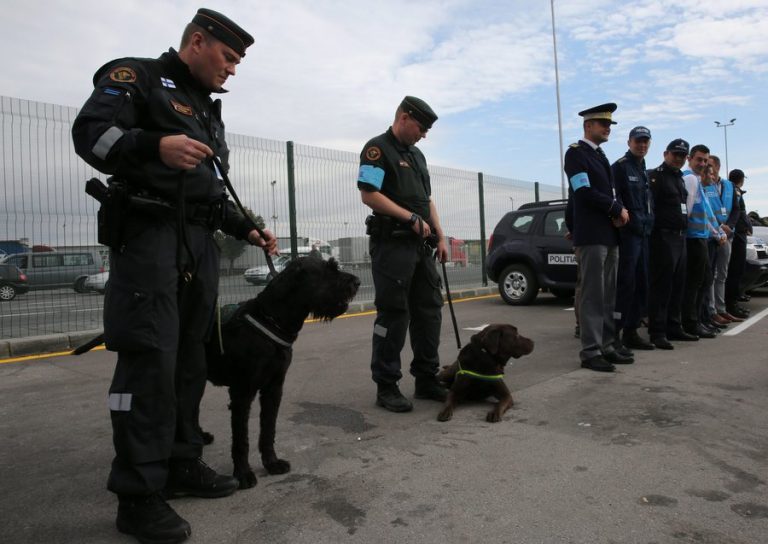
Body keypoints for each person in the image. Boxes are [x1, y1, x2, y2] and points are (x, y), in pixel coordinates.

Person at [71, 9, 277, 544]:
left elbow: (209, 187)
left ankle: (182, 462)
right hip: (149, 240)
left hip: (198, 243)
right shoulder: (136, 77)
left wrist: (245, 227)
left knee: (190, 359)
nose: (233, 69)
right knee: (149, 361)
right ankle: (137, 494)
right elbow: (89, 134)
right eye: (228, 57)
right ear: (197, 41)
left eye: (237, 62)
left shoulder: (208, 110)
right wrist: (150, 144)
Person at [357, 96, 449, 411]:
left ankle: (426, 378)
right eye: (421, 128)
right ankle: (387, 385)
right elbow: (369, 195)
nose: (423, 135)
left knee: (429, 311)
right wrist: (408, 218)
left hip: (421, 247)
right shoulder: (377, 149)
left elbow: (428, 199)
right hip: (392, 245)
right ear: (404, 118)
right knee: (394, 314)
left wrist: (440, 235)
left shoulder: (418, 156)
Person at [563, 103, 631, 372]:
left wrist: (620, 211)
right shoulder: (576, 154)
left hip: (609, 234)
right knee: (593, 295)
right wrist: (616, 208)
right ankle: (591, 351)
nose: (607, 128)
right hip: (592, 235)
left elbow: (611, 192)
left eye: (609, 125)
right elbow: (583, 192)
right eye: (603, 124)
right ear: (588, 126)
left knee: (607, 295)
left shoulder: (600, 156)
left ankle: (607, 344)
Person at [612, 126, 655, 351]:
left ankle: (631, 331)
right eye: (638, 141)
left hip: (644, 235)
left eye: (646, 141)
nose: (642, 145)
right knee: (625, 285)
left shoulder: (642, 169)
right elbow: (613, 196)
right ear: (629, 142)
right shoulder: (620, 167)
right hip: (628, 236)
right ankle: (615, 334)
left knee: (642, 285)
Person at [646, 139, 690, 350]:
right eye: (675, 154)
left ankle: (674, 326)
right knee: (662, 287)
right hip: (663, 238)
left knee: (678, 286)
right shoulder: (656, 176)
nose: (679, 159)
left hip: (680, 237)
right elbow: (650, 207)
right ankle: (657, 332)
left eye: (682, 155)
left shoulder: (679, 179)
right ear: (666, 154)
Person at [681, 145, 726, 339]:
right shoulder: (689, 178)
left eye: (705, 161)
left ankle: (699, 319)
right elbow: (688, 211)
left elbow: (706, 212)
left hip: (701, 237)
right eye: (699, 159)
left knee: (704, 280)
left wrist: (717, 233)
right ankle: (692, 322)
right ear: (690, 159)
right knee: (695, 282)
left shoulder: (697, 180)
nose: (702, 164)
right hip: (693, 238)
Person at [704, 155, 743, 326]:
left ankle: (722, 309)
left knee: (723, 274)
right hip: (712, 235)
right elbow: (705, 210)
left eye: (711, 165)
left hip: (727, 235)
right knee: (711, 275)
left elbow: (736, 209)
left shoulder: (729, 185)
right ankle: (712, 311)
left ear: (718, 166)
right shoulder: (704, 184)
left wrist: (730, 226)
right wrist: (719, 228)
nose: (708, 168)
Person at [725, 169, 752, 318]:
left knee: (734, 271)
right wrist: (747, 226)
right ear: (741, 179)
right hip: (737, 234)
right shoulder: (734, 191)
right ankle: (732, 304)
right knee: (735, 270)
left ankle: (733, 302)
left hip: (736, 233)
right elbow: (740, 213)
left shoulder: (730, 189)